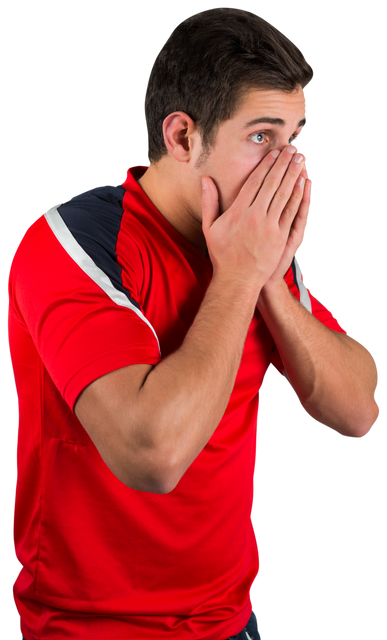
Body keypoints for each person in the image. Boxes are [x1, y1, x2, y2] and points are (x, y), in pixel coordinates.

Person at [6, 6, 381, 640]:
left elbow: (360, 411)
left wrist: (265, 279)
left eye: (296, 137)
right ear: (183, 137)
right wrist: (239, 276)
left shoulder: (252, 246)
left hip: (231, 620)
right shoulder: (71, 244)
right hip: (90, 629)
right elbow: (152, 455)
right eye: (263, 137)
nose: (289, 167)